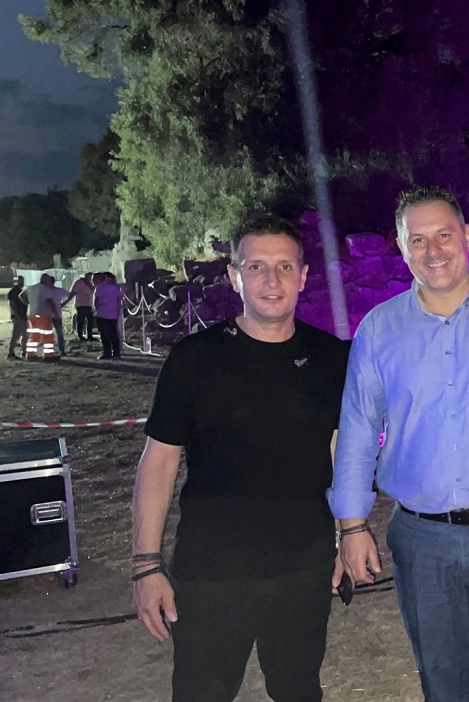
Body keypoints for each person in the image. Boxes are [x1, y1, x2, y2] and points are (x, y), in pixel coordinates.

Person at [331, 186, 469, 702]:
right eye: (418, 240)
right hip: (421, 540)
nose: (433, 251)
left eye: (444, 235)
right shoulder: (378, 330)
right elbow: (358, 429)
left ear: (467, 235)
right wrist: (351, 524)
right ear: (401, 246)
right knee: (443, 685)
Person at [130, 215, 351, 701]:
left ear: (303, 276)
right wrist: (146, 565)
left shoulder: (332, 358)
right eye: (256, 266)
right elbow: (159, 463)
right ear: (234, 276)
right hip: (212, 571)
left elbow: (339, 453)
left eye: (284, 266)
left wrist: (345, 536)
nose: (272, 280)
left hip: (303, 567)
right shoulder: (194, 359)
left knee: (299, 690)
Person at [21, 273, 63, 360]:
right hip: (43, 314)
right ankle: (48, 354)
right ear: (46, 281)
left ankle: (30, 354)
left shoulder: (31, 288)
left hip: (31, 314)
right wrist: (56, 313)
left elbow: (21, 296)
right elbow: (49, 302)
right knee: (47, 335)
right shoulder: (46, 289)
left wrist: (29, 304)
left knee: (34, 334)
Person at [93, 272, 125, 359]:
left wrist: (96, 309)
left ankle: (107, 353)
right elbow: (119, 298)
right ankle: (116, 352)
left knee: (104, 334)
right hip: (113, 314)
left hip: (102, 313)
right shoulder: (115, 287)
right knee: (113, 333)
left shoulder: (99, 288)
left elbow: (97, 300)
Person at [68, 273, 96, 341]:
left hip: (89, 305)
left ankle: (89, 335)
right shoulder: (79, 283)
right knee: (81, 321)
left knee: (90, 320)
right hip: (81, 305)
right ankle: (80, 335)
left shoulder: (91, 283)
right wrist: (68, 300)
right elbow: (73, 292)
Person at [7, 279, 27, 359]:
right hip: (18, 316)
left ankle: (24, 351)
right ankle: (11, 352)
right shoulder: (14, 292)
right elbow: (12, 304)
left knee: (24, 334)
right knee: (17, 334)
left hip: (22, 315)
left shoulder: (19, 291)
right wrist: (16, 314)